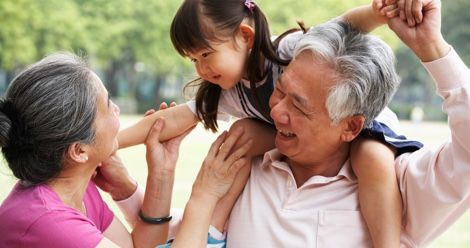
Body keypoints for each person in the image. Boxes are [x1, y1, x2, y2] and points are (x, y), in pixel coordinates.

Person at [117, 1, 421, 246]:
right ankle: (213, 231)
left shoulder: (287, 51)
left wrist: (376, 13)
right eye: (193, 60)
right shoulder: (232, 92)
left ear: (245, 36)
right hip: (298, 134)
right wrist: (109, 143)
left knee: (371, 157)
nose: (201, 68)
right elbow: (173, 119)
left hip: (360, 120)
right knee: (241, 137)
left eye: (207, 54)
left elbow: (342, 27)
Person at [0, 53, 252, 247]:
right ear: (78, 151)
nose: (117, 110)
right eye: (108, 105)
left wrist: (161, 173)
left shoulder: (72, 186)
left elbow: (139, 246)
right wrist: (204, 195)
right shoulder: (48, 220)